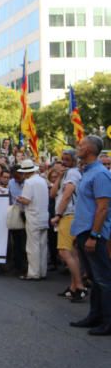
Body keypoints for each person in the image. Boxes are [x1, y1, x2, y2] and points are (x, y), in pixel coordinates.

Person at [68, 136, 111, 335]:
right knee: (94, 278)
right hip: (84, 231)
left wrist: (94, 235)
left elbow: (103, 208)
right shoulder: (88, 172)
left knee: (103, 278)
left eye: (82, 145)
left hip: (95, 234)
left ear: (91, 150)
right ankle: (95, 316)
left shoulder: (101, 175)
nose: (79, 147)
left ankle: (108, 322)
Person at [51, 149, 86, 302]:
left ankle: (80, 287)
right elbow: (53, 194)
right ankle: (73, 287)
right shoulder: (66, 174)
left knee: (64, 252)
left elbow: (67, 194)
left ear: (74, 160)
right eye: (62, 159)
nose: (64, 162)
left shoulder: (72, 173)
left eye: (67, 159)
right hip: (69, 215)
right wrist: (59, 176)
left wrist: (58, 214)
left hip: (68, 215)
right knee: (72, 253)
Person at [16, 159, 50, 281]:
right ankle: (42, 271)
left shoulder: (29, 182)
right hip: (43, 215)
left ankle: (34, 273)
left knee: (32, 246)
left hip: (33, 215)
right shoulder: (42, 180)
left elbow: (26, 200)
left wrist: (19, 199)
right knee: (42, 245)